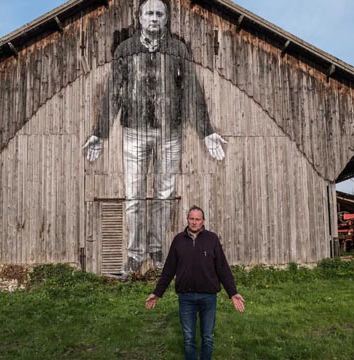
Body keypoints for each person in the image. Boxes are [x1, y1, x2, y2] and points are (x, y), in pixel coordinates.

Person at [83, 0, 228, 277]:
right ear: (139, 17)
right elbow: (113, 93)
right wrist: (100, 133)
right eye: (149, 13)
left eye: (159, 14)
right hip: (134, 132)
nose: (153, 18)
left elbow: (191, 93)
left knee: (163, 196)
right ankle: (135, 255)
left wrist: (206, 130)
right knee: (134, 196)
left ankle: (157, 250)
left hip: (170, 133)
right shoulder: (125, 50)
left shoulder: (177, 50)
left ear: (166, 19)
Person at [145, 206, 245, 360]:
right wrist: (157, 293)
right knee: (189, 338)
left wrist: (233, 293)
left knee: (207, 337)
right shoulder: (178, 240)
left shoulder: (212, 239)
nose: (194, 222)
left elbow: (222, 268)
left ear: (203, 221)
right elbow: (168, 270)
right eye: (191, 218)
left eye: (197, 219)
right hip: (186, 297)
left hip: (208, 297)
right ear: (187, 220)